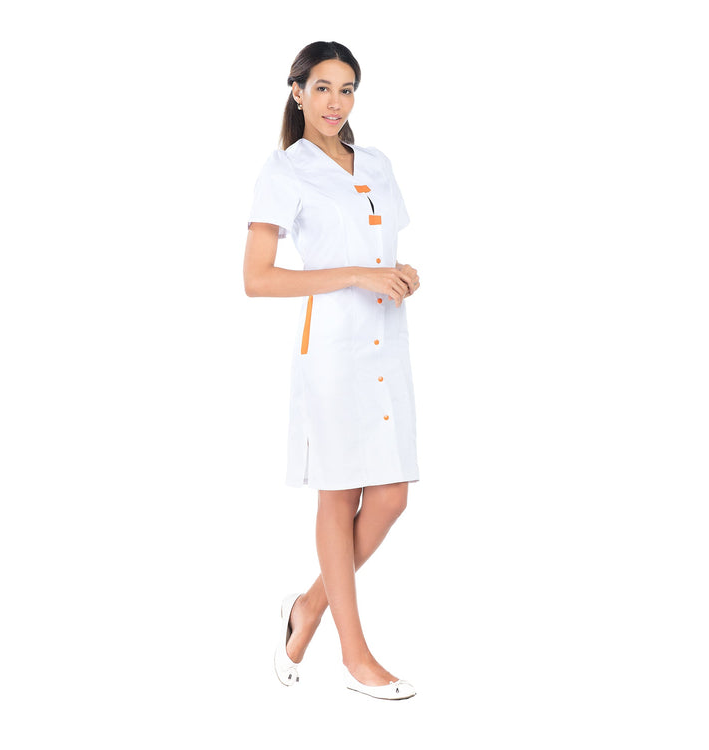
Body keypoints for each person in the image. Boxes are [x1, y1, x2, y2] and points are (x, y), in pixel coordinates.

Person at [243, 41, 421, 701]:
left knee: (392, 496)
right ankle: (354, 655)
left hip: (386, 345)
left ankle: (309, 607)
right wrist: (355, 275)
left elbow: (382, 250)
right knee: (340, 494)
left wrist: (402, 274)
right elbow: (257, 279)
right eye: (321, 87)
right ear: (297, 91)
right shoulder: (284, 170)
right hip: (332, 353)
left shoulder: (375, 163)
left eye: (346, 89)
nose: (334, 102)